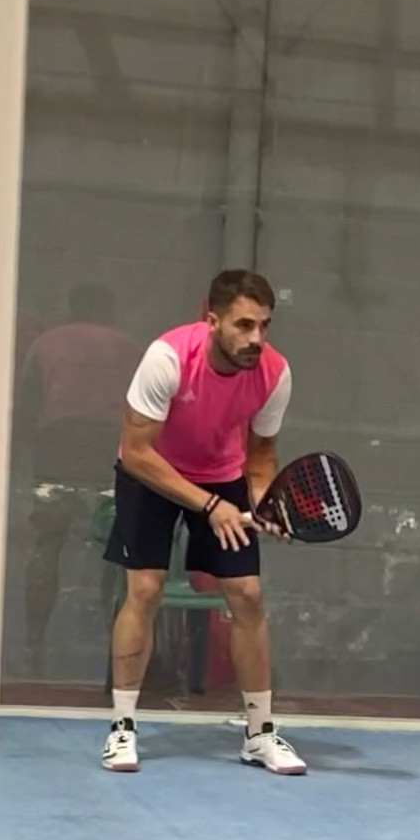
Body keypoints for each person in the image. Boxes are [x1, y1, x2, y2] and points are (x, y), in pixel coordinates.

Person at [102, 269, 305, 776]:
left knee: (248, 594)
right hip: (151, 473)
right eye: (243, 325)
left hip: (221, 472)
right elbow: (136, 451)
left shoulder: (275, 373)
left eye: (264, 325)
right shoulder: (168, 358)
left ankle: (259, 734)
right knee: (145, 588)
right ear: (212, 320)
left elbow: (262, 454)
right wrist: (209, 506)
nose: (256, 338)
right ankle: (122, 728)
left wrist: (266, 504)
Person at [14, 285, 140, 674]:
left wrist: (30, 450)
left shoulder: (47, 343)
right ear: (109, 309)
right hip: (108, 446)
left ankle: (34, 642)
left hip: (59, 444)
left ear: (71, 308)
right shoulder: (129, 348)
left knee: (46, 544)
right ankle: (116, 641)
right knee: (114, 550)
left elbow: (26, 408)